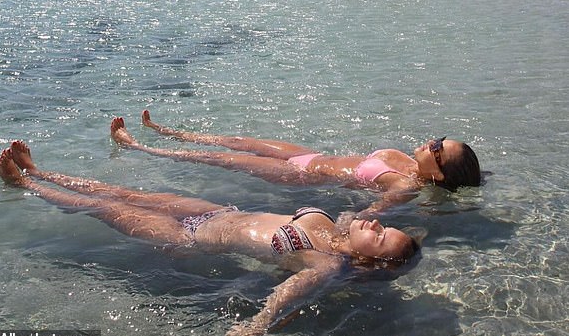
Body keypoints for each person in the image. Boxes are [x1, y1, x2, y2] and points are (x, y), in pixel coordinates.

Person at [0, 141, 420, 336]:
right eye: (383, 227)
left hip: (190, 237)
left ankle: (26, 185)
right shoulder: (340, 226)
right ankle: (41, 171)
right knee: (125, 193)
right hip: (216, 210)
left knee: (101, 209)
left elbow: (283, 299)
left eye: (380, 237)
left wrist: (249, 330)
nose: (376, 226)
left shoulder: (326, 264)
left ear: (370, 261)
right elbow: (374, 210)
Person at [110, 111, 481, 216]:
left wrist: (346, 221)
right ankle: (165, 130)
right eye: (437, 139)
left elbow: (371, 213)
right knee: (236, 140)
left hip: (300, 175)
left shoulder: (404, 186)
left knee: (220, 159)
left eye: (436, 147)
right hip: (310, 154)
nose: (430, 142)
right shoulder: (408, 164)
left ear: (438, 171)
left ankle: (136, 147)